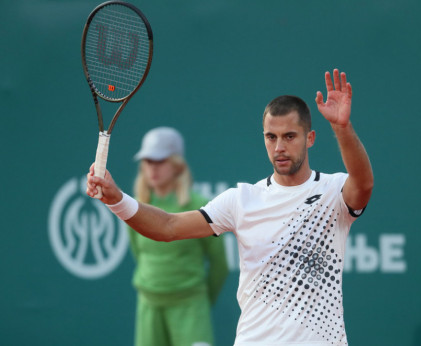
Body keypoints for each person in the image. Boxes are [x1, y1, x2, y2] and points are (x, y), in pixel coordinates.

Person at [87, 69, 374, 346]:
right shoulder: (241, 200)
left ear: (309, 138)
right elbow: (168, 227)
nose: (279, 148)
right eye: (271, 137)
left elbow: (363, 184)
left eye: (289, 136)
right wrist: (116, 199)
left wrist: (342, 128)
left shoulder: (332, 191)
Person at [127, 127, 229, 346]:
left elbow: (220, 263)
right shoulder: (137, 207)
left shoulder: (199, 205)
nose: (152, 168)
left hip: (191, 307)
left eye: (160, 161)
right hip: (149, 306)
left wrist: (197, 301)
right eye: (147, 161)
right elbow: (138, 252)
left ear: (176, 164)